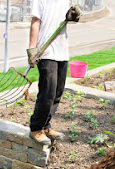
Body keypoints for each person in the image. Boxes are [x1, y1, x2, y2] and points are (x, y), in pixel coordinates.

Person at [26, 1, 81, 145]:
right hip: (46, 51)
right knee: (47, 93)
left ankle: (45, 125)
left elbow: (69, 16)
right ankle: (36, 128)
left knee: (57, 92)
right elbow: (35, 22)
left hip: (62, 51)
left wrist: (74, 16)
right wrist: (32, 48)